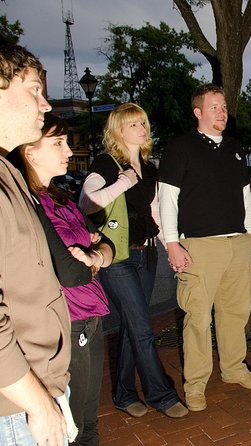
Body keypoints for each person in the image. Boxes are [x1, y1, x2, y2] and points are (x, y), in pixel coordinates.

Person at [10, 113, 114, 445]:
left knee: (88, 416)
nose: (68, 151)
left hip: (92, 315)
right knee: (74, 424)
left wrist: (94, 258)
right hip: (68, 321)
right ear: (30, 151)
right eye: (58, 143)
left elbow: (107, 244)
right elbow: (70, 273)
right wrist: (93, 259)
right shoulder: (29, 203)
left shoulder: (62, 198)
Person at [79, 103, 188, 419]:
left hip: (147, 254)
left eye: (143, 122)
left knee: (131, 324)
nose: (141, 128)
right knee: (142, 326)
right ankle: (161, 395)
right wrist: (122, 183)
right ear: (117, 131)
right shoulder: (106, 164)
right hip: (118, 257)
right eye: (132, 124)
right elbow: (87, 203)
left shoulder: (150, 168)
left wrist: (171, 247)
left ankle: (124, 394)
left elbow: (154, 212)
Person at [158, 84, 251, 412]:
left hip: (237, 243)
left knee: (235, 312)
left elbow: (244, 192)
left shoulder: (235, 147)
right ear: (198, 112)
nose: (221, 112)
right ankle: (196, 383)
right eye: (214, 107)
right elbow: (167, 197)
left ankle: (233, 368)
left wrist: (249, 232)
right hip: (199, 246)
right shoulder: (180, 148)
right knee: (198, 317)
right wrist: (172, 243)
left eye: (223, 106)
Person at [0, 44, 71, 446]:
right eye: (33, 90)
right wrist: (38, 404)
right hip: (17, 408)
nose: (45, 104)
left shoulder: (9, 175)